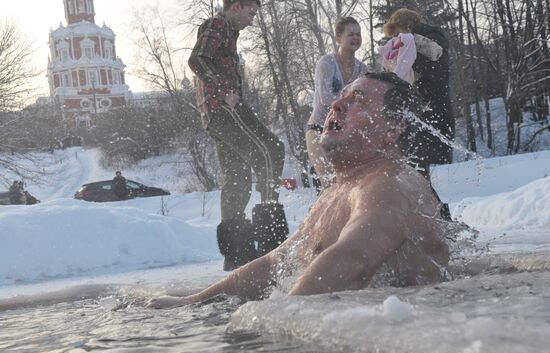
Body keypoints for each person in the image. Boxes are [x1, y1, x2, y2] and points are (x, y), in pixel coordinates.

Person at [146, 72, 452, 309]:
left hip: (405, 329)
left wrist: (279, 317)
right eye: (340, 96)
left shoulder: (389, 184)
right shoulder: (343, 187)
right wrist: (196, 301)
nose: (336, 105)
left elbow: (354, 257)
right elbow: (278, 261)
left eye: (357, 99)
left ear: (393, 129)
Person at [188, 0, 289, 271]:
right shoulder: (218, 24)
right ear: (236, 8)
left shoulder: (227, 32)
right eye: (250, 13)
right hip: (224, 109)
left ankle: (237, 254)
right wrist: (224, 89)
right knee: (271, 150)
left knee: (238, 177)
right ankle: (271, 240)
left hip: (216, 113)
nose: (252, 20)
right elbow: (197, 59)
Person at [383, 8, 455, 178]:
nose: (395, 37)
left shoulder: (432, 36)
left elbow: (437, 67)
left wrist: (409, 47)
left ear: (406, 25)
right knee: (415, 165)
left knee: (420, 163)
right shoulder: (406, 44)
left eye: (397, 31)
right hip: (420, 109)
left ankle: (433, 203)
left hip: (435, 107)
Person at [306, 17, 369, 189]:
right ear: (338, 38)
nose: (356, 38)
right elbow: (325, 98)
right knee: (330, 186)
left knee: (349, 186)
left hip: (345, 132)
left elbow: (363, 101)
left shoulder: (363, 69)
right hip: (319, 129)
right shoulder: (326, 63)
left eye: (358, 34)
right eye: (351, 34)